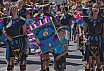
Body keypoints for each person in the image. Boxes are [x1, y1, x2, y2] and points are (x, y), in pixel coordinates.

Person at [4, 5, 28, 71]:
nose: (14, 10)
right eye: (12, 9)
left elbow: (24, 32)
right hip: (11, 42)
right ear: (10, 10)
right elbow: (4, 30)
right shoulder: (7, 20)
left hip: (20, 41)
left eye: (15, 8)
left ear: (17, 10)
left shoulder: (22, 20)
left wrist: (27, 44)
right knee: (11, 60)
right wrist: (7, 36)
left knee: (22, 60)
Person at [83, 3, 104, 70]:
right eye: (94, 7)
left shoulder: (102, 19)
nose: (95, 9)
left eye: (97, 7)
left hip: (99, 39)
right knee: (89, 61)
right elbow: (84, 31)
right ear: (91, 9)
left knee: (99, 60)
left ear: (99, 9)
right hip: (90, 39)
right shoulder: (87, 19)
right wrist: (85, 38)